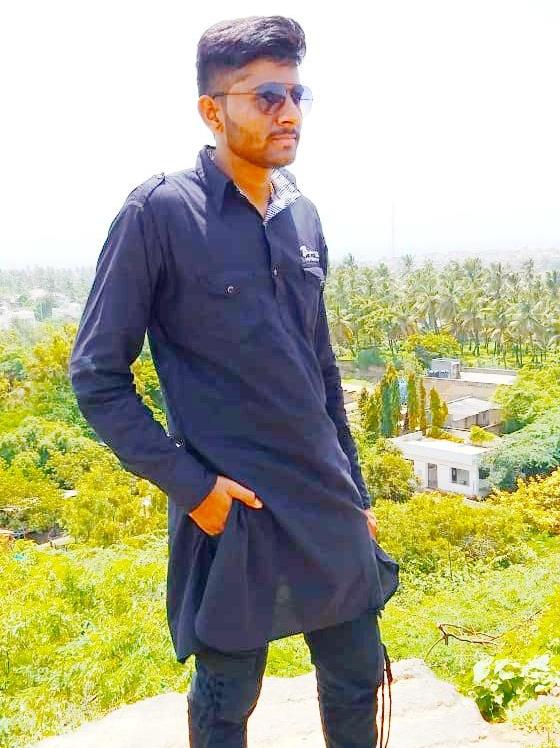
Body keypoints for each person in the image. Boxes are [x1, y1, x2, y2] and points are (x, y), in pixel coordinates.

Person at [69, 14, 399, 748]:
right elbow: (96, 376)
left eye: (298, 94)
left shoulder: (301, 216)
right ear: (212, 111)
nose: (289, 112)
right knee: (226, 700)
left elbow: (320, 371)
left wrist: (355, 493)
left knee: (356, 676)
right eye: (267, 95)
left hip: (324, 500)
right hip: (236, 507)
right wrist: (196, 490)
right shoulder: (158, 214)